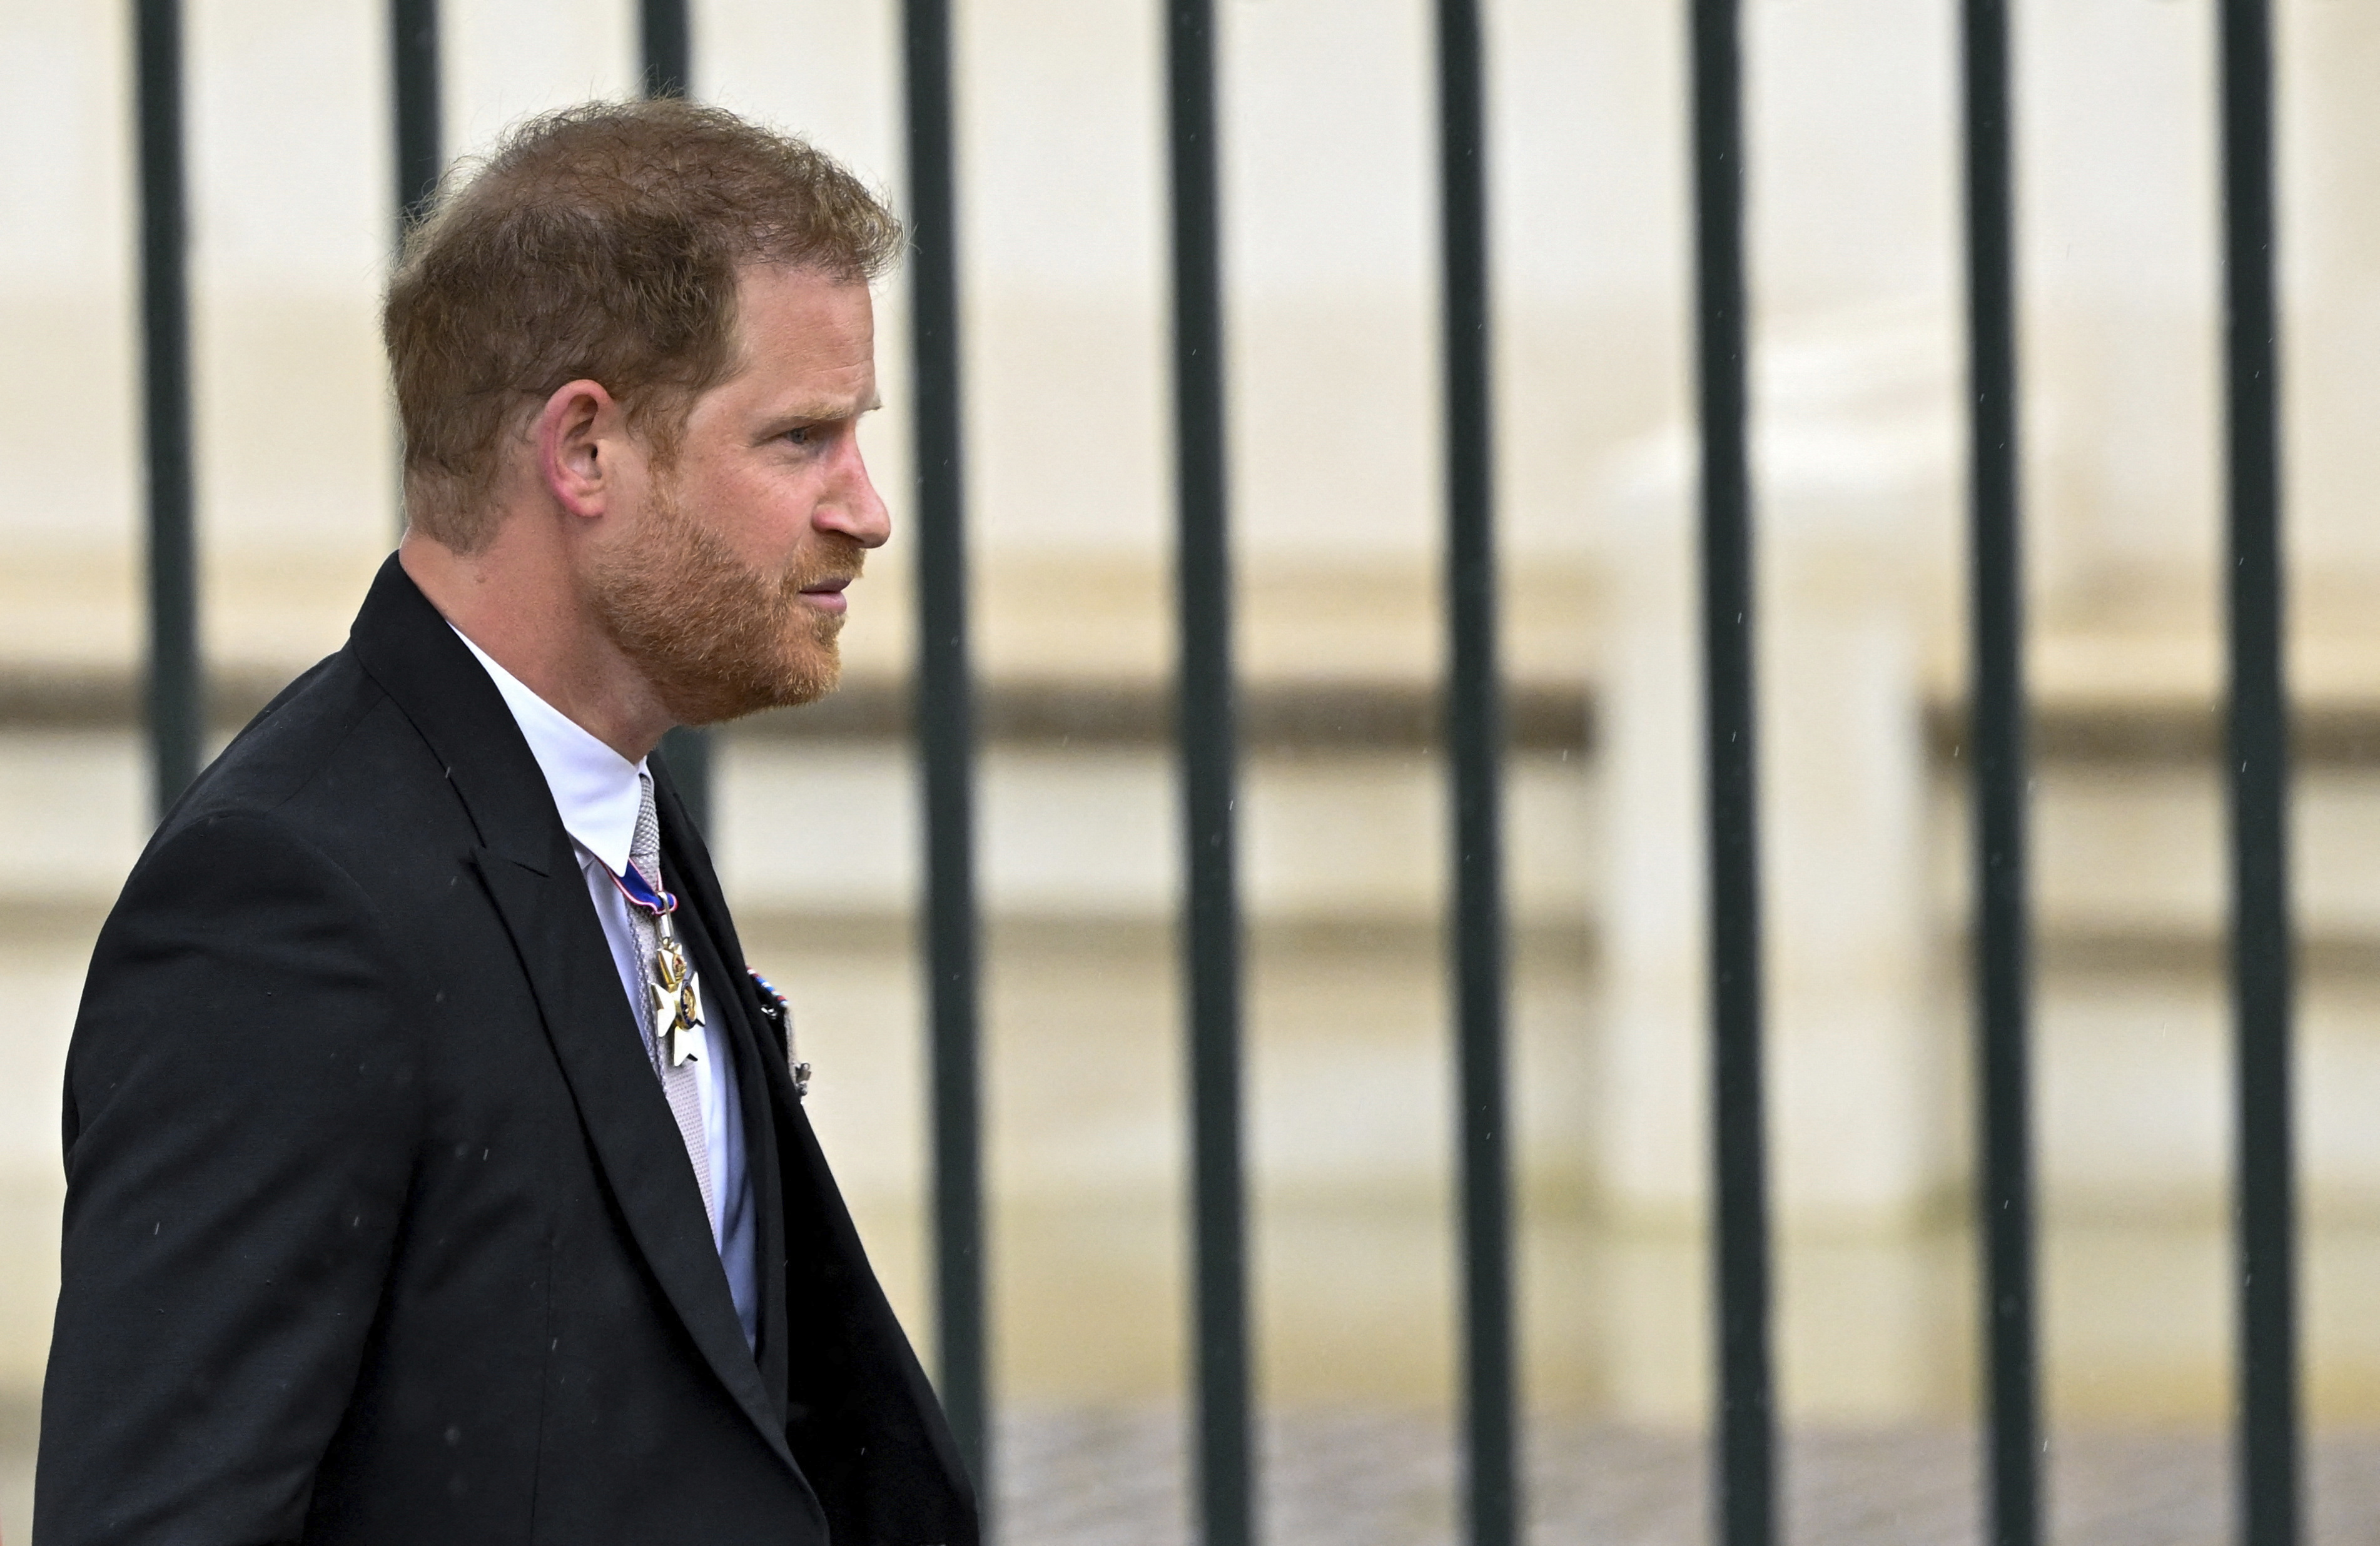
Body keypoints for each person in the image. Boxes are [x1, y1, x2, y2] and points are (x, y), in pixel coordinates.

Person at [34, 99, 975, 1546]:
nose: (867, 509)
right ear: (583, 450)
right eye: (801, 438)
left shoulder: (609, 797)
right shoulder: (287, 903)